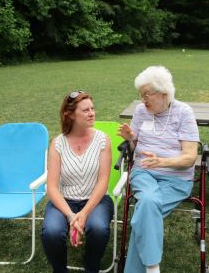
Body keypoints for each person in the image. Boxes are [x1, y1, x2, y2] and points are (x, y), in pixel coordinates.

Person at [118, 66, 200, 273]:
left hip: (176, 179)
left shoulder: (184, 113)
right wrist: (130, 139)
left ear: (164, 94)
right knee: (148, 202)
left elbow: (190, 158)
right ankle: (152, 266)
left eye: (146, 94)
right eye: (140, 94)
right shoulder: (140, 111)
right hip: (144, 172)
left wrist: (162, 162)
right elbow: (136, 147)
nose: (142, 99)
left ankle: (150, 267)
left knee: (145, 208)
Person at [41, 91, 114, 273]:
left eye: (92, 108)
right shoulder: (58, 143)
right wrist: (71, 216)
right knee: (51, 232)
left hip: (96, 200)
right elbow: (51, 187)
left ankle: (91, 266)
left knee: (98, 228)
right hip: (64, 201)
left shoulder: (102, 140)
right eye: (85, 110)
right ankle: (59, 270)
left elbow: (103, 181)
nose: (92, 113)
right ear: (70, 114)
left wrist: (84, 213)